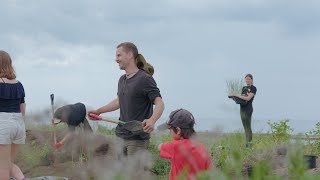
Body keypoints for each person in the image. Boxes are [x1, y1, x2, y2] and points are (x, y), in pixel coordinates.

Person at [89, 42, 164, 156]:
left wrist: (152, 120)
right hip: (120, 136)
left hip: (137, 139)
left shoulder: (144, 79)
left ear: (130, 55)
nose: (116, 59)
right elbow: (120, 101)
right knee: (121, 173)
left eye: (119, 55)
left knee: (134, 173)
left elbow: (159, 103)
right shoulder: (122, 79)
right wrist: (98, 111)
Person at [157, 108, 212, 180]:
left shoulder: (175, 146)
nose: (169, 132)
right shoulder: (202, 147)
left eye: (170, 129)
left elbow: (160, 147)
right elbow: (209, 171)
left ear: (178, 130)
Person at [0, 50, 26, 180]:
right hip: (18, 126)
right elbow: (22, 108)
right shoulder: (19, 84)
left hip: (3, 125)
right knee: (8, 163)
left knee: (2, 167)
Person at [229, 74, 257, 147]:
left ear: (252, 80)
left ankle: (249, 144)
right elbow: (242, 99)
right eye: (246, 79)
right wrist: (234, 97)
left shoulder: (253, 88)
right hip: (242, 108)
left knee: (248, 127)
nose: (247, 80)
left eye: (248, 79)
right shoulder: (244, 88)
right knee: (245, 127)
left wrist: (237, 95)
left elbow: (247, 98)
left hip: (248, 109)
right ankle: (247, 144)